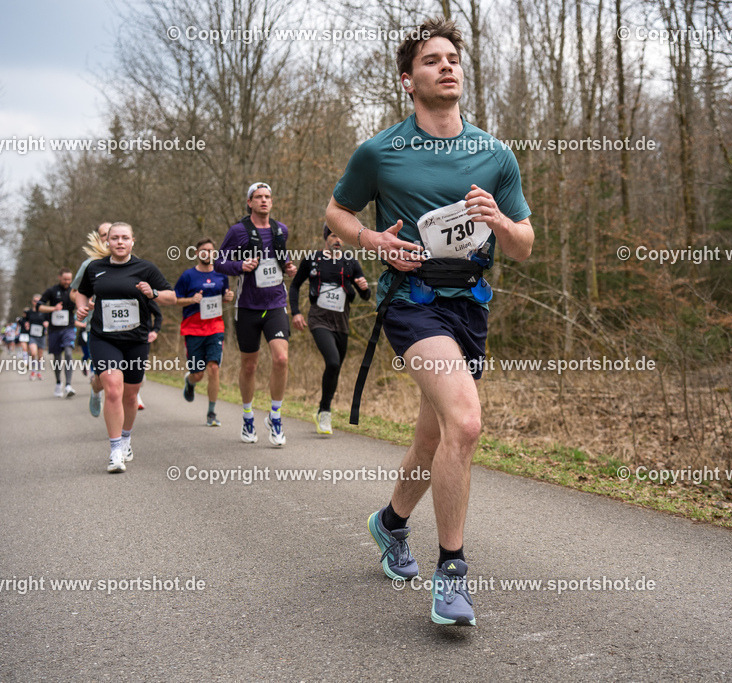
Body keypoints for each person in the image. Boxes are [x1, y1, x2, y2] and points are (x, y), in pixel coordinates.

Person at [324, 17, 533, 626]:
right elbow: (335, 210)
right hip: (412, 303)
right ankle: (452, 573)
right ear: (407, 80)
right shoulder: (381, 151)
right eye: (432, 60)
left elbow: (523, 245)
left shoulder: (494, 153)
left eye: (453, 59)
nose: (447, 67)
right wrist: (372, 240)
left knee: (433, 436)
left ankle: (389, 524)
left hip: (470, 305)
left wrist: (499, 221)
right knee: (465, 424)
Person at [73, 222, 176, 473]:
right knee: (113, 390)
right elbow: (81, 292)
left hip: (135, 339)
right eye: (115, 238)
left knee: (131, 394)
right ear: (107, 242)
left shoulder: (145, 268)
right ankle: (115, 449)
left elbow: (170, 297)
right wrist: (82, 306)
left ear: (133, 241)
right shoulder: (95, 268)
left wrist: (151, 292)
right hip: (104, 338)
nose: (120, 242)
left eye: (125, 238)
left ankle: (127, 438)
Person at [214, 182, 297, 446]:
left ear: (272, 202)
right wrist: (240, 265)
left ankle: (275, 416)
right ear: (249, 202)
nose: (264, 201)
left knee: (281, 358)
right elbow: (219, 262)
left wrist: (290, 268)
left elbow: (280, 260)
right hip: (248, 307)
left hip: (275, 304)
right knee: (249, 365)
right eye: (258, 197)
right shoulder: (238, 231)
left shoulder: (280, 229)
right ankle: (248, 416)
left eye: (268, 197)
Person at [289, 225, 371, 434]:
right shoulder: (312, 259)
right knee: (332, 361)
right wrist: (296, 312)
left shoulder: (351, 262)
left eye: (341, 237)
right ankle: (325, 412)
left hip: (342, 322)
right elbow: (295, 285)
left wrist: (364, 287)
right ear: (326, 238)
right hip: (319, 319)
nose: (338, 240)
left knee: (335, 368)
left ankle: (322, 409)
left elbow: (366, 296)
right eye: (334, 235)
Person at [173, 237, 234, 426]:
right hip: (192, 328)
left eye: (210, 250)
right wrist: (191, 300)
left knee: (214, 368)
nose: (207, 253)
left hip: (215, 327)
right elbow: (175, 299)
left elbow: (225, 296)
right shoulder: (187, 276)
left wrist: (228, 297)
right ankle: (190, 381)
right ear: (197, 253)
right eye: (203, 250)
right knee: (198, 373)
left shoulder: (221, 275)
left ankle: (211, 413)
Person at [72, 223, 111, 417]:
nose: (109, 238)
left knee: (127, 376)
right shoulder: (89, 265)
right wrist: (86, 305)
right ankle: (96, 390)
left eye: (112, 234)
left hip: (126, 328)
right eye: (104, 234)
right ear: (99, 238)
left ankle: (121, 430)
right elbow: (75, 293)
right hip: (97, 328)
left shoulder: (132, 262)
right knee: (104, 376)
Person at [37, 268, 78, 398]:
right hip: (54, 330)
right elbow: (39, 306)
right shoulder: (51, 291)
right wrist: (53, 308)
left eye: (69, 279)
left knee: (68, 352)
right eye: (65, 279)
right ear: (59, 277)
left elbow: (82, 302)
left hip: (69, 327)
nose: (67, 282)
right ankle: (59, 383)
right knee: (57, 358)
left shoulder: (74, 290)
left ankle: (68, 385)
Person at [25, 294, 48, 381]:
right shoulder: (29, 312)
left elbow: (48, 320)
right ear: (32, 302)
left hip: (41, 336)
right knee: (33, 353)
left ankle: (38, 371)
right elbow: (26, 321)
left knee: (40, 355)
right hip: (32, 335)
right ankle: (33, 371)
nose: (36, 302)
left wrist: (47, 323)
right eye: (35, 301)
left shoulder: (44, 312)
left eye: (38, 301)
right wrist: (26, 325)